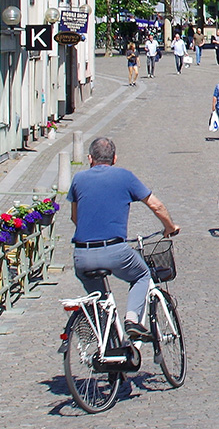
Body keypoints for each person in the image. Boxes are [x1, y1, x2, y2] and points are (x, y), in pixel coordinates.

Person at [68, 136, 180, 339]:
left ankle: (107, 344)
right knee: (142, 275)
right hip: (114, 251)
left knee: (99, 300)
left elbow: (75, 217)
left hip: (82, 256)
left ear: (89, 158)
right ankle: (132, 320)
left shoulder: (78, 179)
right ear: (115, 159)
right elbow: (156, 205)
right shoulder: (125, 177)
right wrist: (170, 227)